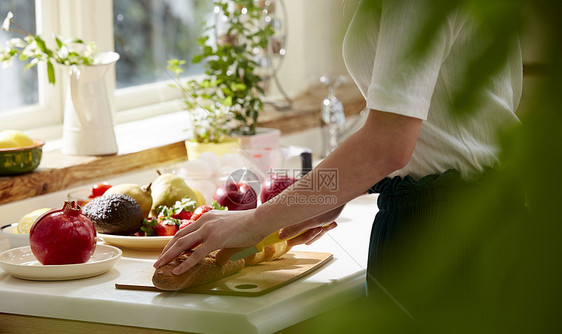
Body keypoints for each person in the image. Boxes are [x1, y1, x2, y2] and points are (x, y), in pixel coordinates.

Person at [154, 0, 522, 310]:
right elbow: (442, 124)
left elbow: (386, 145)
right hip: (479, 213)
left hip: (439, 232)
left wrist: (256, 220)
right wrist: (328, 193)